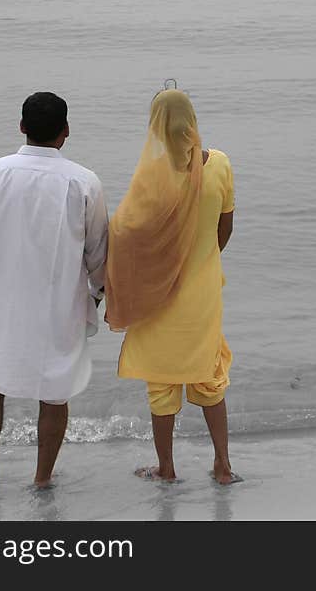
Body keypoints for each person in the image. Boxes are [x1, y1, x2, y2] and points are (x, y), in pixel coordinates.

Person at [0, 92, 108, 499]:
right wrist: (97, 294)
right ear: (66, 132)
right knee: (54, 391)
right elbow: (98, 252)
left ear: (21, 127)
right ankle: (41, 478)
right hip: (59, 301)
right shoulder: (83, 181)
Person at [105, 87, 239, 484]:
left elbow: (126, 233)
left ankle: (166, 469)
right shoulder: (220, 164)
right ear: (191, 120)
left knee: (161, 382)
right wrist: (202, 260)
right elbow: (225, 226)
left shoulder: (153, 177)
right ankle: (223, 467)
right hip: (203, 293)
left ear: (157, 128)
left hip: (160, 296)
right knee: (209, 375)